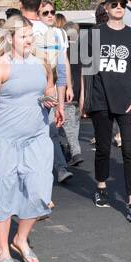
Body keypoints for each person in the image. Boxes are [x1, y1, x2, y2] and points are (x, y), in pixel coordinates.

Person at [0, 16, 60, 262]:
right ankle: (2, 249)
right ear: (10, 39)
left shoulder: (41, 64)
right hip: (4, 140)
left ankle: (21, 239)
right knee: (4, 192)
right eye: (23, 36)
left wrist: (49, 100)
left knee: (39, 189)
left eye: (30, 35)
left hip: (37, 138)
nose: (29, 40)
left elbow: (48, 90)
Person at [82, 0, 131, 222]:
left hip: (128, 100)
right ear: (106, 8)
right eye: (114, 4)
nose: (118, 7)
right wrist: (83, 99)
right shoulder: (93, 34)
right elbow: (85, 70)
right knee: (103, 148)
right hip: (100, 99)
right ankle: (101, 186)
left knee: (130, 151)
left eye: (122, 4)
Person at [20, 0, 72, 181]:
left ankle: (56, 170)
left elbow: (61, 66)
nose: (50, 15)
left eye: (52, 12)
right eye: (46, 12)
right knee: (39, 135)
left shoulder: (56, 34)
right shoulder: (24, 31)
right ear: (38, 12)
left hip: (44, 90)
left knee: (48, 134)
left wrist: (63, 95)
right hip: (28, 92)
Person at [60, 20, 85, 168]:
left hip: (68, 91)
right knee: (74, 124)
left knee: (69, 126)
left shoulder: (64, 51)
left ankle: (75, 152)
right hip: (79, 92)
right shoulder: (82, 50)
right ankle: (72, 152)